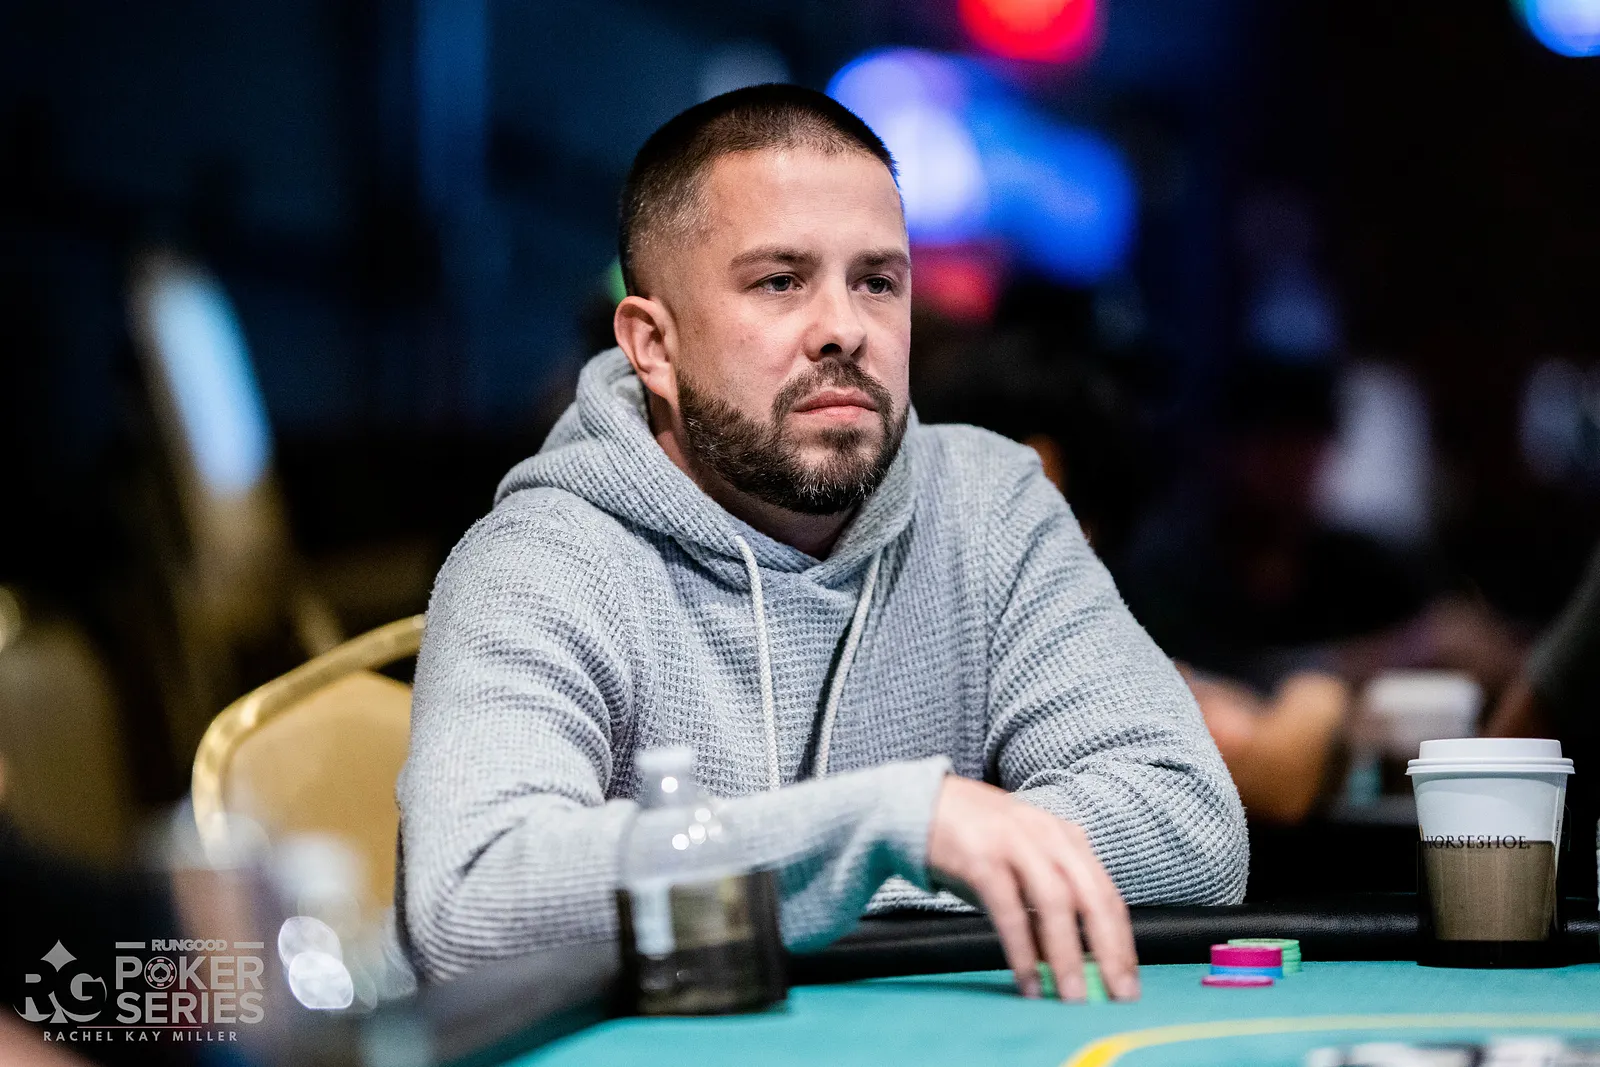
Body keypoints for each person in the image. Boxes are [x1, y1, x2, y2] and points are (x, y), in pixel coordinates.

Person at [397, 85, 1247, 1001]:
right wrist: (890, 828)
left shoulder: (992, 505)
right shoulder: (538, 559)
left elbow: (1190, 824)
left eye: (877, 282)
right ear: (654, 345)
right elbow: (472, 898)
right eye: (780, 281)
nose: (844, 328)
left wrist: (850, 872)